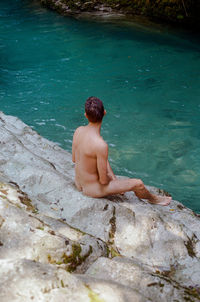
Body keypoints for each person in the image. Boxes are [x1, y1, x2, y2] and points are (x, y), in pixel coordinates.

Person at [72, 96, 171, 206]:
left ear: (85, 115)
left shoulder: (78, 131)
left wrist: (113, 178)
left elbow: (74, 159)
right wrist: (117, 186)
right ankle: (154, 199)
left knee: (100, 157)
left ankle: (115, 179)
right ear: (104, 113)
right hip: (92, 190)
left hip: (78, 183)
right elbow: (103, 181)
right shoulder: (100, 145)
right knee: (138, 184)